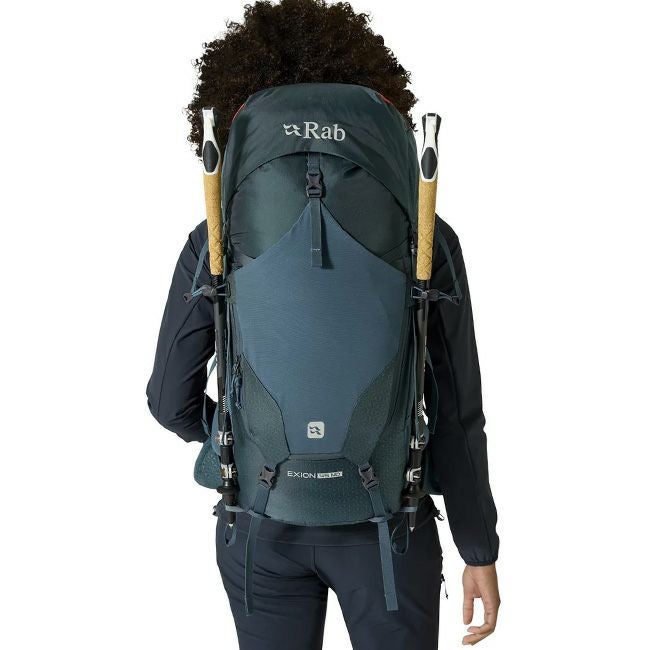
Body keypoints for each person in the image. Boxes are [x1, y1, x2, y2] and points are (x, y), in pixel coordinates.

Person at [146, 1, 500, 648]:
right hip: (390, 527)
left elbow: (168, 398)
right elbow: (455, 412)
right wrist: (478, 546)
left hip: (258, 524)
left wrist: (237, 437)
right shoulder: (426, 237)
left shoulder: (216, 237)